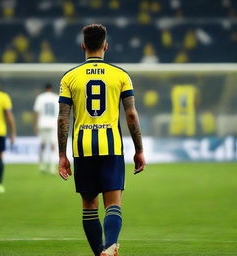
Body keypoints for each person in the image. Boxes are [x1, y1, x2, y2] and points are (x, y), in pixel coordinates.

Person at [57, 24, 146, 256]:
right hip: (111, 144)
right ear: (106, 45)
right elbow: (131, 115)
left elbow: (62, 118)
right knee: (113, 205)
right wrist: (139, 149)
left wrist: (61, 155)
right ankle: (109, 246)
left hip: (83, 146)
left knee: (89, 207)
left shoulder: (69, 77)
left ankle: (100, 253)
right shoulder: (120, 75)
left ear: (83, 45)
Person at [33, 84, 58, 174]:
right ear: (51, 89)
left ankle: (42, 166)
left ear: (45, 89)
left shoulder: (40, 97)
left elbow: (37, 112)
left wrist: (35, 125)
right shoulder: (56, 97)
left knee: (42, 146)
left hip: (42, 124)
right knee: (53, 146)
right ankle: (52, 168)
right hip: (53, 124)